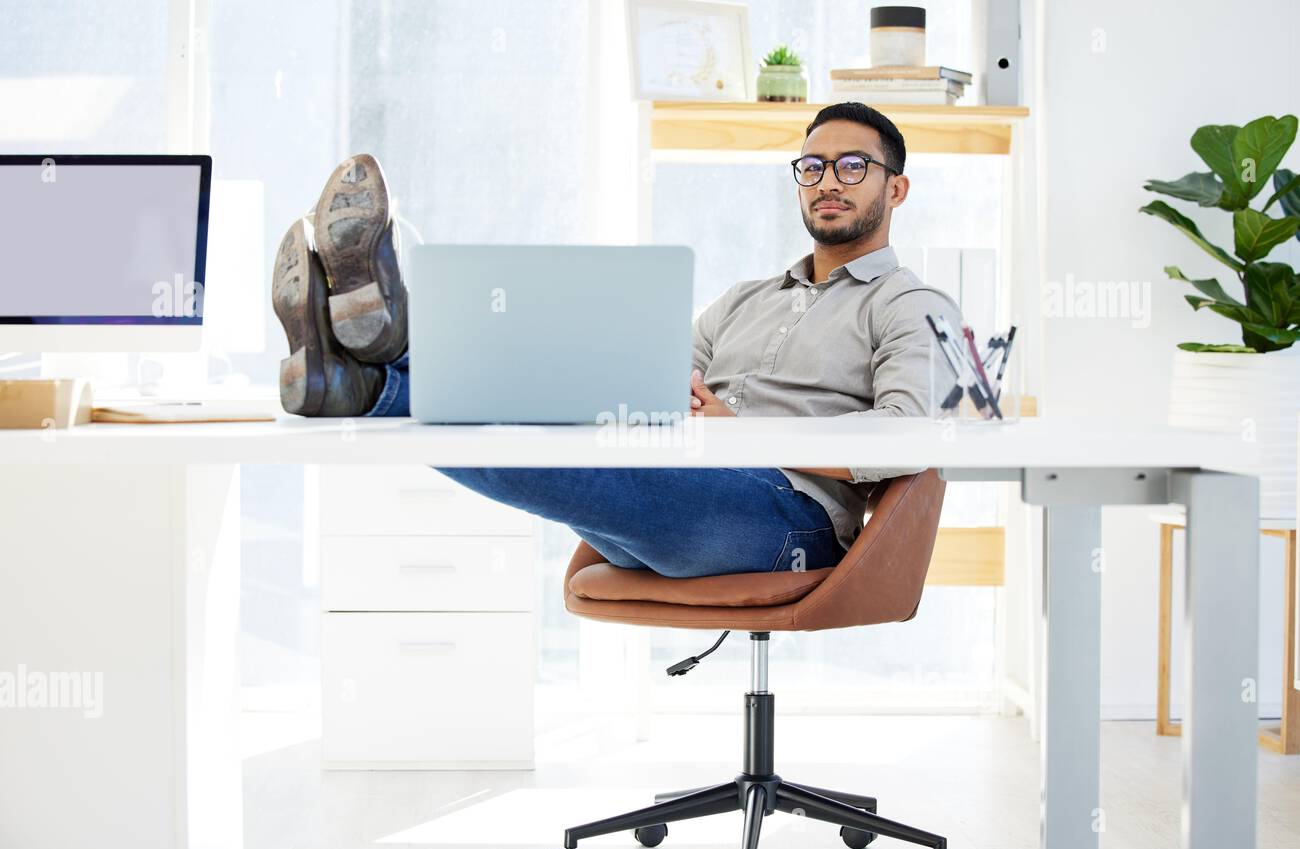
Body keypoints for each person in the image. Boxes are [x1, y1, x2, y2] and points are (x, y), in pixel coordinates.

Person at [271, 102, 961, 578]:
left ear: (896, 188)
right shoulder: (744, 300)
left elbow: (904, 437)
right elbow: (649, 383)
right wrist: (640, 393)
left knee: (565, 455)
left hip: (787, 520)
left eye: (851, 167)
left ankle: (381, 368)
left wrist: (742, 431)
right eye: (811, 168)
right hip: (670, 489)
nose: (826, 183)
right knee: (552, 402)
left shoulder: (909, 303)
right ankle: (373, 369)